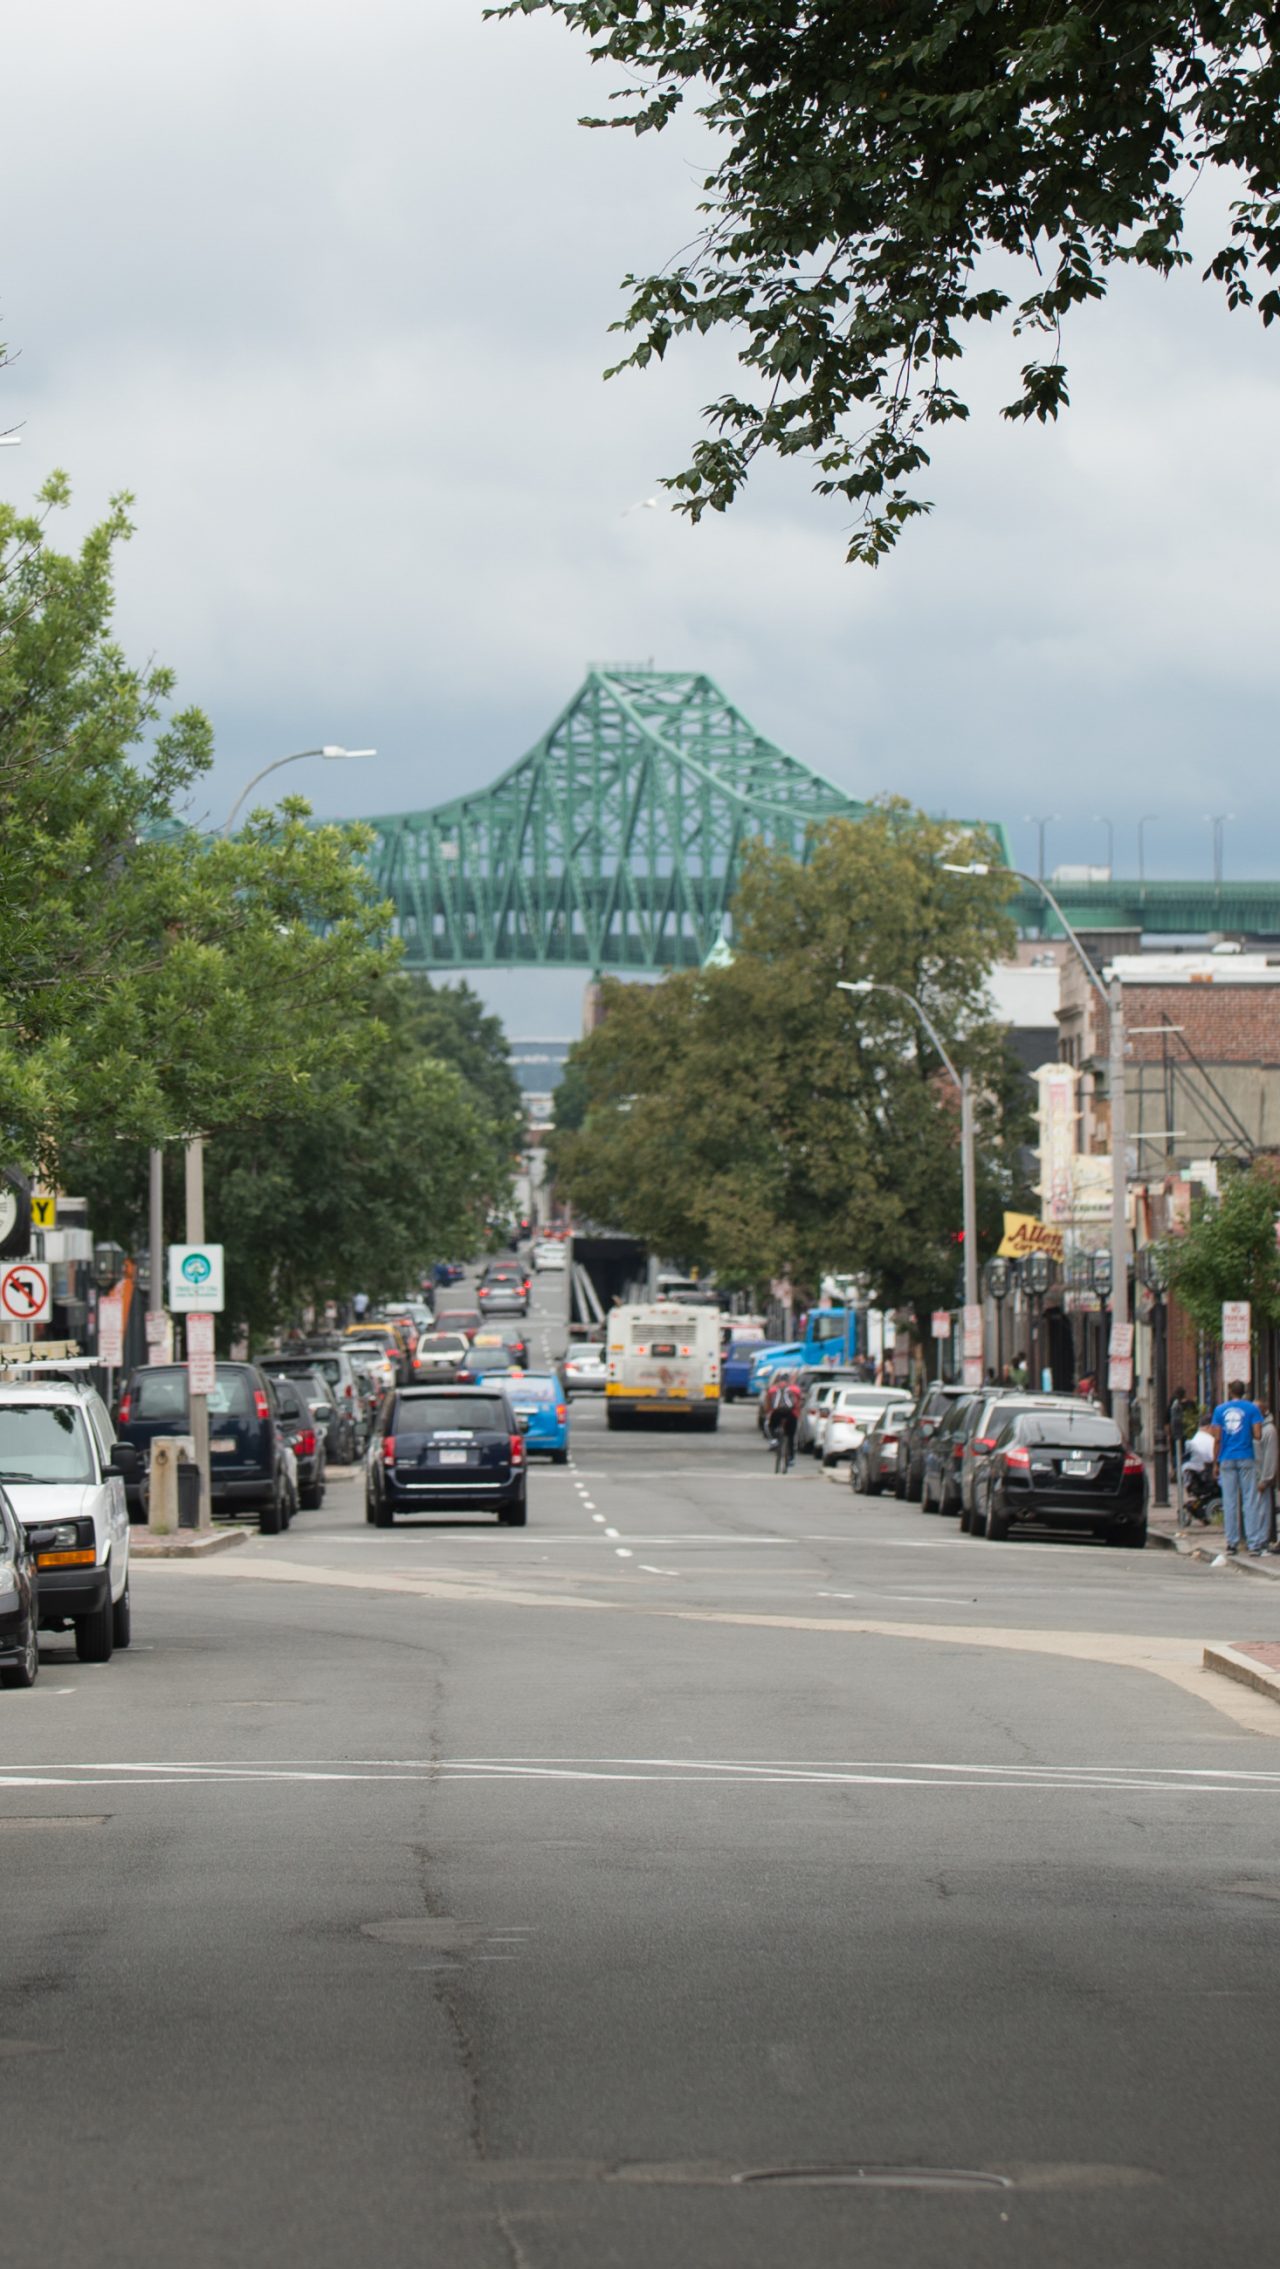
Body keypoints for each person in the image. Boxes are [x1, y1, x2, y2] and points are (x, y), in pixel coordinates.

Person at [1210, 1377, 1266, 1557]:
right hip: (1246, 1456)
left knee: (1230, 1502)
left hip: (1226, 1458)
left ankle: (1232, 1543)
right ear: (1244, 1392)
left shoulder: (1219, 1410)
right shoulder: (1252, 1409)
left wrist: (1215, 1463)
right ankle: (1253, 1543)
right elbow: (1258, 1435)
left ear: (1229, 1391)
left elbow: (1217, 1438)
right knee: (1249, 1501)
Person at [1257, 1395, 1279, 1551]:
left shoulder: (1269, 1430)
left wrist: (1266, 1478)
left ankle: (1263, 1540)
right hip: (1254, 1476)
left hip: (1262, 1478)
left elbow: (1270, 1456)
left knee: (1263, 1510)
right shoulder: (1256, 1427)